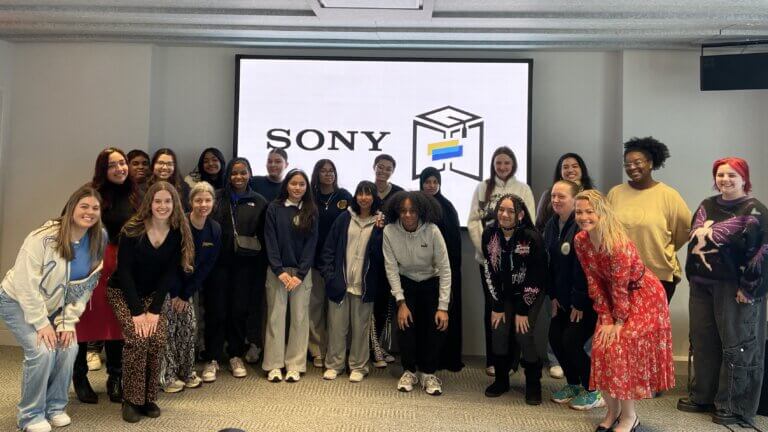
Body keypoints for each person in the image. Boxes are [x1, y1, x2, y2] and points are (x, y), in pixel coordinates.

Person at [0, 186, 106, 432]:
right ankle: (30, 415)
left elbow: (85, 287)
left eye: (95, 208)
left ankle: (55, 407)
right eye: (84, 206)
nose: (89, 212)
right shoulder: (43, 237)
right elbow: (26, 285)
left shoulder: (97, 239)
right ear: (71, 208)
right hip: (16, 300)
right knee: (42, 350)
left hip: (55, 306)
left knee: (69, 347)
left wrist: (66, 322)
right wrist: (41, 323)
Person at [573, 189, 675, 432]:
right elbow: (593, 281)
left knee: (620, 348)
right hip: (612, 298)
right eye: (579, 212)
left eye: (590, 212)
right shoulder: (580, 240)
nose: (584, 217)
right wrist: (605, 317)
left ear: (602, 213)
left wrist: (617, 323)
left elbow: (620, 287)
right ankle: (613, 412)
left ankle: (630, 417)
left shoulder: (617, 244)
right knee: (600, 347)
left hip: (642, 295)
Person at [677, 157, 767, 426]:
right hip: (702, 286)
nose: (725, 179)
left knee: (737, 345)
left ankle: (734, 405)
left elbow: (762, 253)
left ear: (744, 179)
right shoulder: (707, 204)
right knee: (703, 342)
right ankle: (703, 395)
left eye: (731, 175)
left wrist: (749, 288)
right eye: (720, 174)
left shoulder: (755, 211)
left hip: (735, 288)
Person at [107, 181, 195, 423]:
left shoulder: (177, 231)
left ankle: (147, 398)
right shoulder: (132, 229)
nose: (162, 206)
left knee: (156, 339)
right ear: (149, 203)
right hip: (123, 292)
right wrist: (137, 313)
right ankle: (131, 400)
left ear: (175, 204)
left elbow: (168, 275)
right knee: (138, 339)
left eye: (168, 201)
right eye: (158, 201)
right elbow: (124, 273)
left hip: (152, 296)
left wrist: (154, 310)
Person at [73, 148, 135, 405]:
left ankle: (115, 378)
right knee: (82, 322)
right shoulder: (90, 193)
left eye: (122, 163)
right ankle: (79, 377)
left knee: (117, 322)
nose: (120, 168)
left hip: (125, 266)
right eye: (112, 165)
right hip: (92, 264)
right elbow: (69, 223)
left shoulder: (136, 194)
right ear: (102, 169)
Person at [467, 146, 535, 377]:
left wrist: (516, 251)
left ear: (513, 164)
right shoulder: (483, 187)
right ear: (493, 165)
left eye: (507, 162)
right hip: (488, 261)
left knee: (515, 309)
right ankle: (494, 360)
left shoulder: (523, 189)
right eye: (498, 163)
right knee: (493, 308)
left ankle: (512, 362)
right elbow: (473, 221)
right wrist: (487, 250)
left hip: (517, 263)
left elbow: (530, 222)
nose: (502, 167)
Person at [203, 158, 268, 381]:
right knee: (216, 311)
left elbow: (264, 236)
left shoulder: (259, 201)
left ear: (250, 174)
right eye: (234, 173)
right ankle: (212, 357)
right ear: (228, 175)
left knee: (239, 311)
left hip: (245, 267)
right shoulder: (216, 197)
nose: (238, 177)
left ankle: (235, 355)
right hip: (216, 265)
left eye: (243, 172)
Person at [481, 194, 547, 405]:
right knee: (498, 330)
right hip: (504, 293)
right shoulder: (489, 234)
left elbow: (536, 275)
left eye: (510, 211)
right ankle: (501, 381)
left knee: (523, 333)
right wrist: (497, 305)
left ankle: (533, 384)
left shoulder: (531, 237)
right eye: (501, 209)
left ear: (520, 214)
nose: (504, 214)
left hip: (530, 292)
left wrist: (522, 310)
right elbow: (489, 271)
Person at [383, 191, 451, 396]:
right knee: (405, 325)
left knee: (436, 326)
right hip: (406, 282)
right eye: (403, 211)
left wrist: (443, 307)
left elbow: (445, 269)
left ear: (420, 212)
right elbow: (391, 269)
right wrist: (401, 302)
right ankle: (409, 371)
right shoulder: (389, 231)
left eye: (412, 211)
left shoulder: (432, 231)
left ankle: (428, 373)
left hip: (431, 280)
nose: (407, 215)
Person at [607, 137, 691, 302]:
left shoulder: (669, 195)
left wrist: (662, 246)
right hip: (622, 274)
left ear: (651, 163)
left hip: (658, 275)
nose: (632, 167)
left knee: (652, 320)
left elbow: (684, 230)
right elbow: (608, 230)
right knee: (623, 319)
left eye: (637, 162)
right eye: (627, 164)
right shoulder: (615, 193)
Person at [544, 180, 602, 410]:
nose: (555, 200)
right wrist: (553, 296)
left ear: (574, 199)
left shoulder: (582, 227)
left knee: (572, 341)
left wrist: (578, 301)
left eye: (562, 196)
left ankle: (593, 390)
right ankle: (573, 384)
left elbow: (583, 269)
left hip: (584, 300)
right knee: (555, 337)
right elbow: (550, 264)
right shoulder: (552, 224)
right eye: (553, 196)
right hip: (562, 299)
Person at [320, 181, 385, 382]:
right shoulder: (344, 218)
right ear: (355, 196)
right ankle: (334, 365)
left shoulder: (381, 222)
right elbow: (329, 248)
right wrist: (330, 276)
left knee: (360, 329)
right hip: (340, 283)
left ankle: (359, 366)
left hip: (364, 286)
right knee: (336, 328)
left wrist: (380, 231)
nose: (363, 198)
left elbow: (382, 255)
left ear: (374, 197)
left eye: (368, 194)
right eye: (360, 194)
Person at [162, 181, 222, 393]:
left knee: (188, 327)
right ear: (190, 202)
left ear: (213, 203)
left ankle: (186, 371)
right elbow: (169, 262)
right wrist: (175, 294)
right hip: (169, 286)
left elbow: (206, 266)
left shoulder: (214, 229)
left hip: (188, 289)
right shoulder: (178, 225)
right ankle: (168, 376)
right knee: (169, 329)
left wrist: (185, 294)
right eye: (198, 200)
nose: (203, 204)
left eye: (207, 200)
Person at [262, 169, 318, 383]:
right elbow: (270, 240)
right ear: (286, 185)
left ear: (306, 187)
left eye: (302, 184)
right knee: (275, 318)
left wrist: (301, 274)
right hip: (278, 272)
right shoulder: (274, 208)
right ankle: (274, 365)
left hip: (301, 274)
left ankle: (295, 365)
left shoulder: (311, 210)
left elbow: (311, 244)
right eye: (293, 183)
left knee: (300, 319)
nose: (297, 188)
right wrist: (279, 271)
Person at [308, 159, 353, 368]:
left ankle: (338, 350)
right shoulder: (310, 196)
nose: (328, 174)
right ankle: (317, 350)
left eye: (331, 171)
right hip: (314, 259)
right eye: (324, 171)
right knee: (315, 307)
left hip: (339, 260)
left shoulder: (344, 196)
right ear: (317, 174)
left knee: (337, 309)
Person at [419, 167, 464, 372]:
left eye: (434, 182)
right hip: (419, 271)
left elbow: (454, 243)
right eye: (427, 181)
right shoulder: (414, 206)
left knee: (444, 313)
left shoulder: (447, 207)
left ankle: (445, 358)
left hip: (443, 271)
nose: (431, 185)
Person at [370, 153, 404, 367]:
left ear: (393, 171)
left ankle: (378, 346)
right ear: (374, 167)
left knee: (385, 303)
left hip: (391, 254)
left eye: (388, 168)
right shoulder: (366, 190)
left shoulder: (399, 193)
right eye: (380, 167)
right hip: (369, 254)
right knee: (369, 304)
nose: (383, 171)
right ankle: (372, 348)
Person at [535, 153, 595, 232]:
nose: (570, 170)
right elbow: (539, 225)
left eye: (575, 166)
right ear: (560, 172)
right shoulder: (548, 195)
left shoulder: (593, 195)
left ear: (582, 170)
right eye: (565, 167)